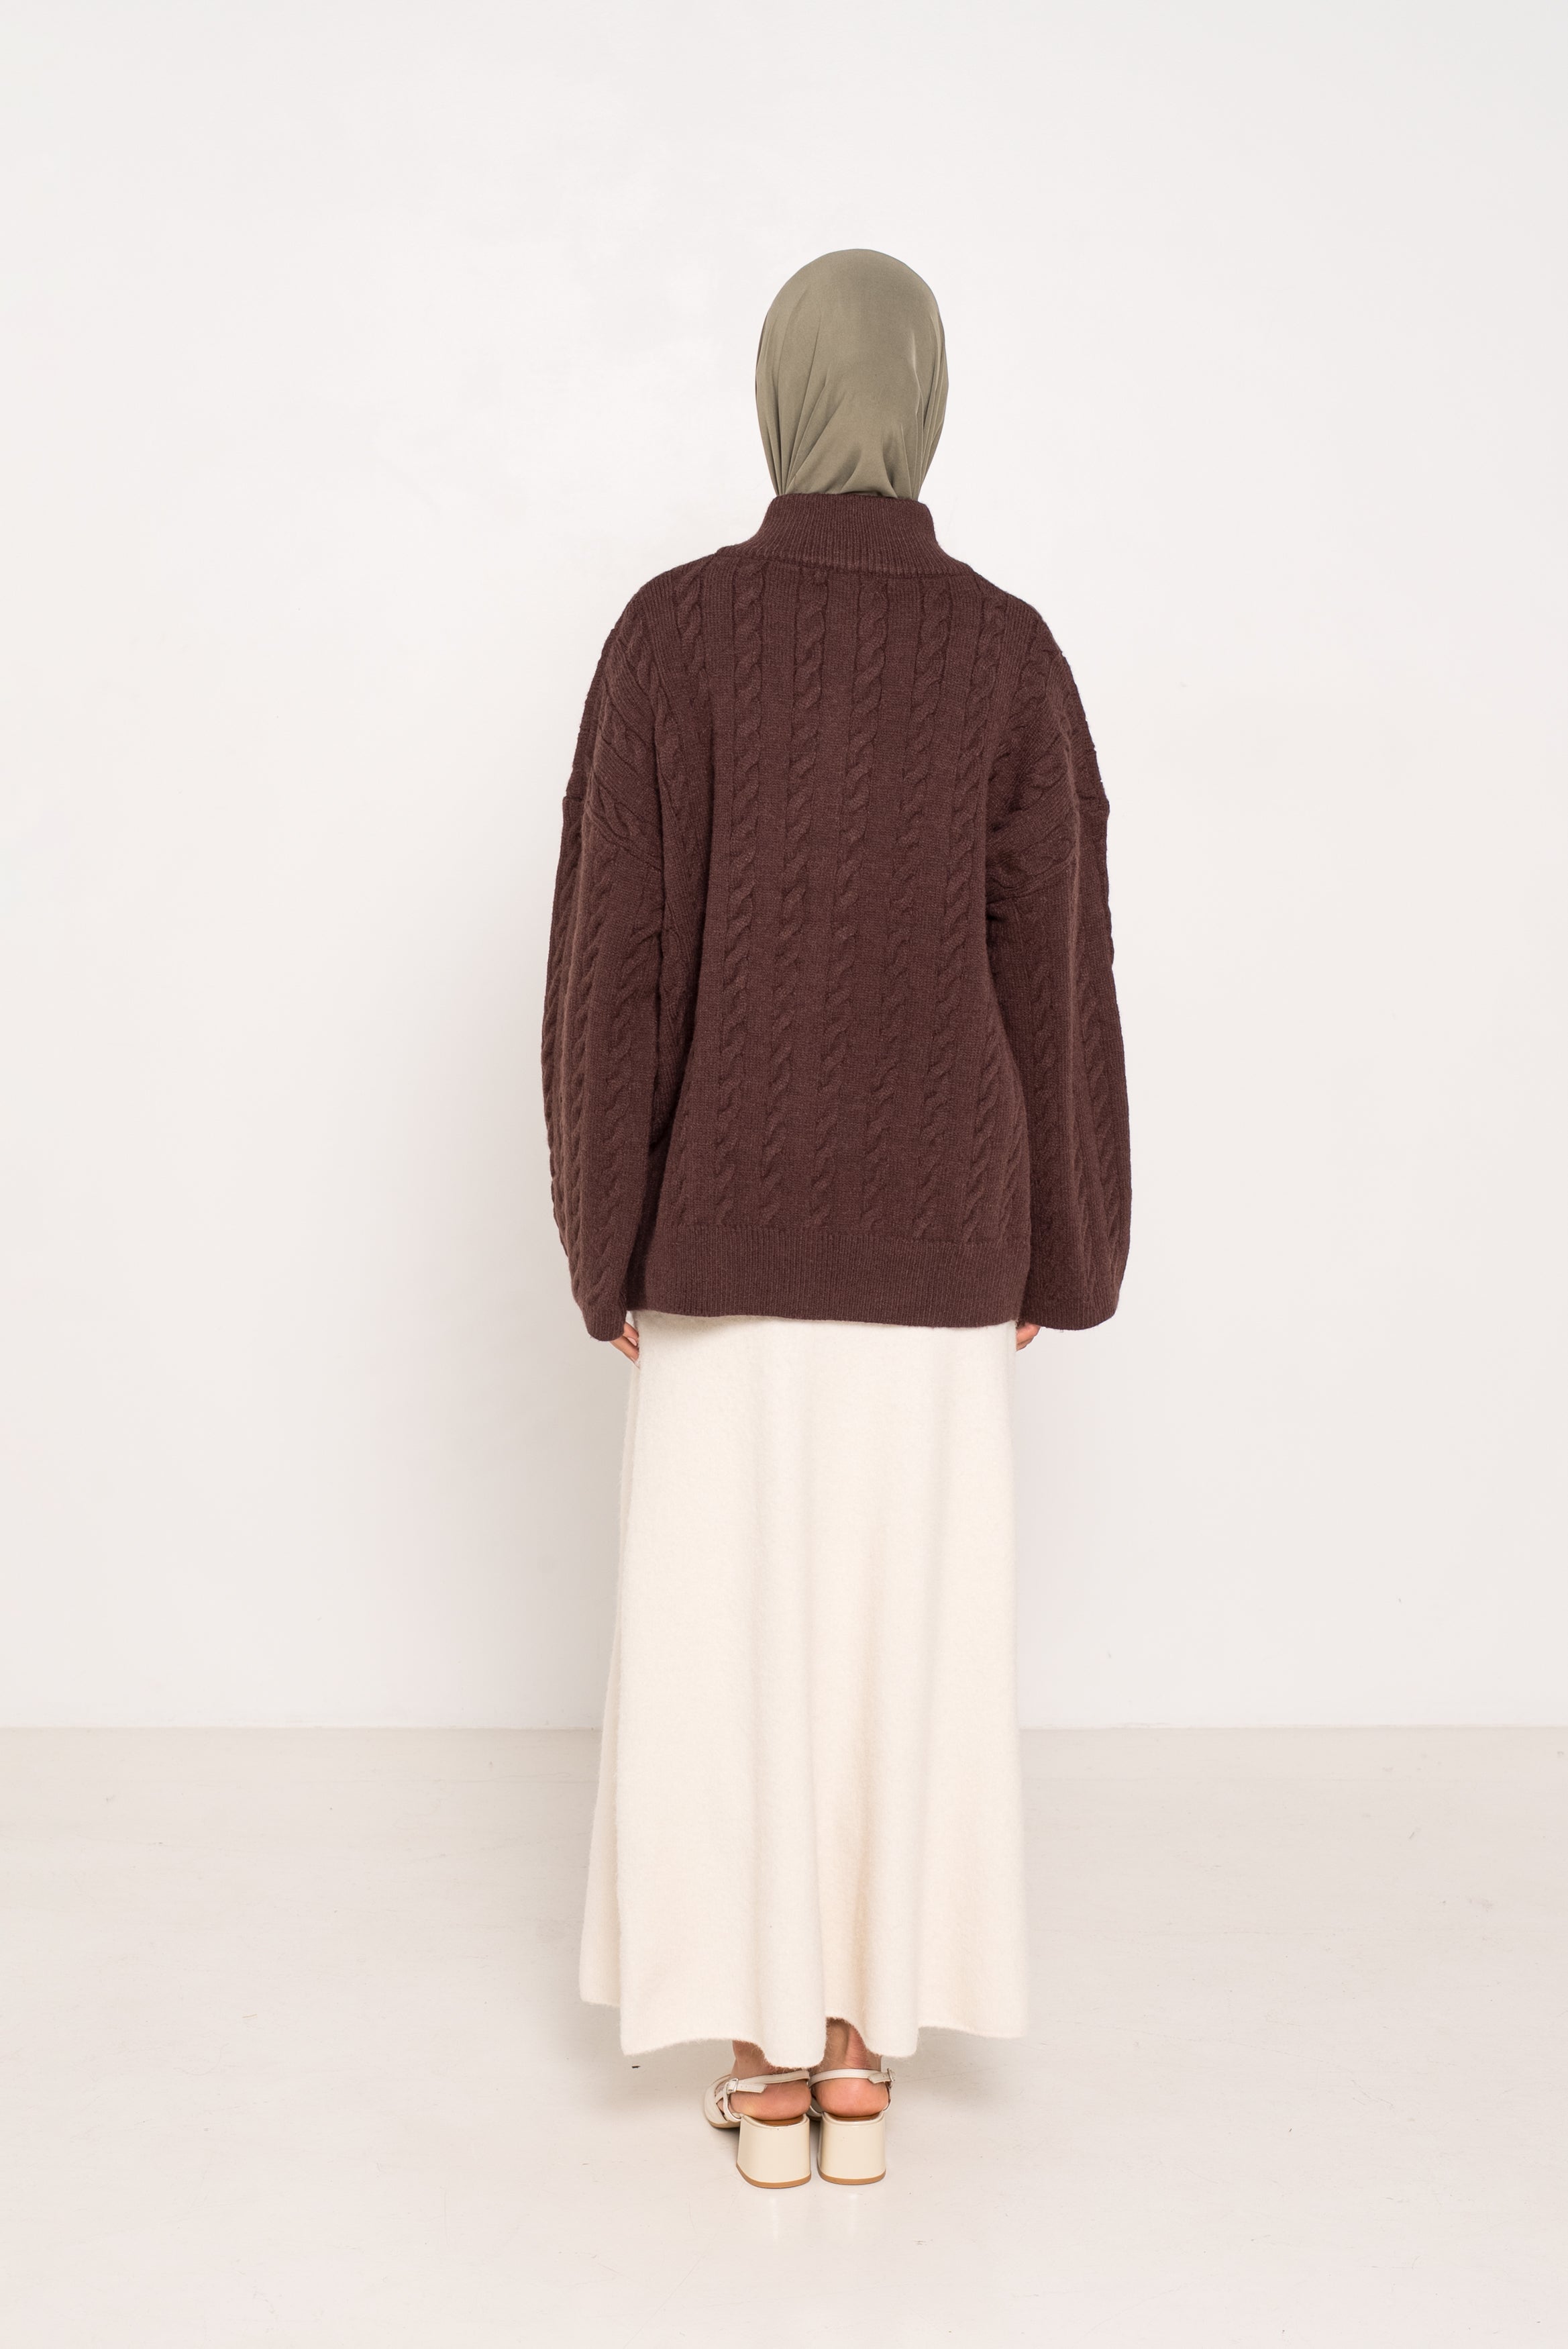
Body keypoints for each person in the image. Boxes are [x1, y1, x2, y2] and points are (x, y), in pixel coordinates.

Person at [541, 248, 1131, 2188]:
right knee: (899, 1647)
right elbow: (1053, 971)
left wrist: (606, 1233)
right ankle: (864, 2057)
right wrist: (1059, 1246)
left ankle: (761, 2050)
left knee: (727, 1647)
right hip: (940, 1239)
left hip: (719, 1237)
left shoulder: (672, 634)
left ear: (779, 395)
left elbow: (611, 965)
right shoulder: (1009, 653)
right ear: (927, 400)